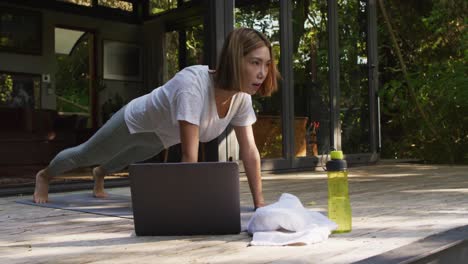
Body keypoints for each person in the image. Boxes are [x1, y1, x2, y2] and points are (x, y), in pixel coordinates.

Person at [33, 28, 280, 210]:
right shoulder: (192, 85)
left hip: (161, 136)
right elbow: (189, 156)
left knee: (124, 160)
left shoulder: (241, 98)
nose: (262, 73)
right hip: (135, 121)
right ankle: (44, 176)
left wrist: (259, 203)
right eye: (255, 63)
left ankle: (100, 174)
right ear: (234, 60)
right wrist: (188, 206)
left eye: (267, 65)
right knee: (86, 154)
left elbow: (249, 151)